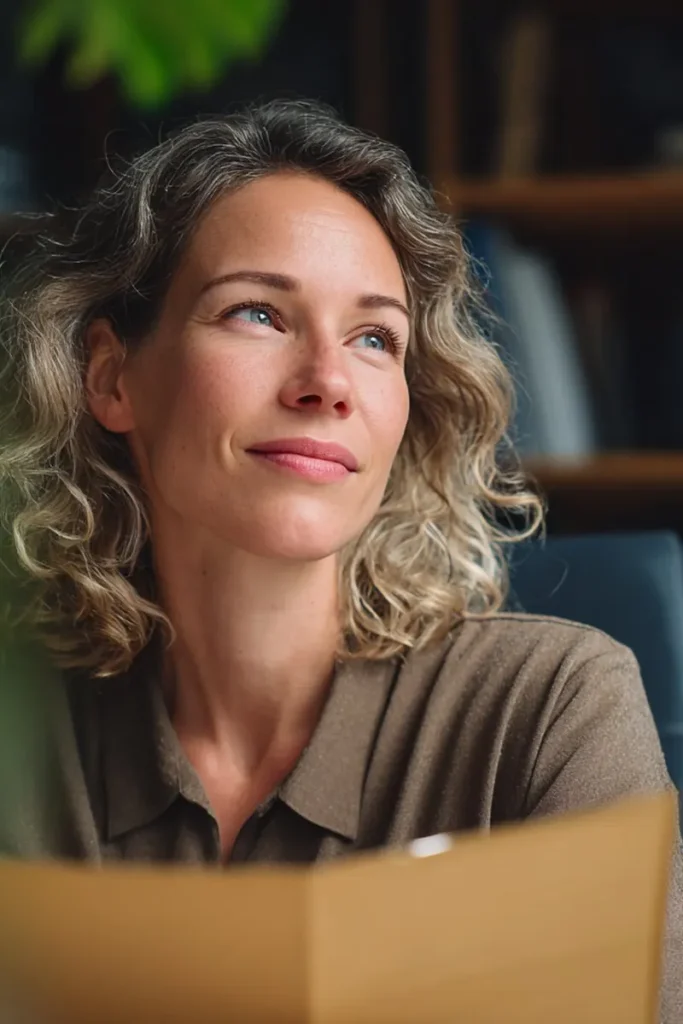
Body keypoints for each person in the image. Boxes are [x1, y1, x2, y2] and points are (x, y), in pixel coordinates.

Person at [0, 99, 680, 1018]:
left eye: (373, 338)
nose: (326, 382)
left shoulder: (552, 708)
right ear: (113, 377)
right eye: (256, 313)